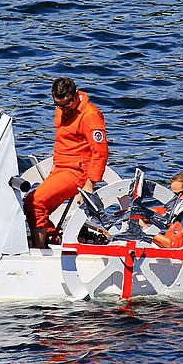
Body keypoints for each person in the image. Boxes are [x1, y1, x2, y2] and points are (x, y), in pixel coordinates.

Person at [24, 77, 109, 248]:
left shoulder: (90, 116)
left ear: (75, 96)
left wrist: (90, 185)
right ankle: (51, 238)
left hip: (77, 172)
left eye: (66, 105)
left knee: (36, 202)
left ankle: (41, 250)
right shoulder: (62, 108)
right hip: (61, 168)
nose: (62, 110)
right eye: (58, 105)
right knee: (29, 203)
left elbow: (100, 151)